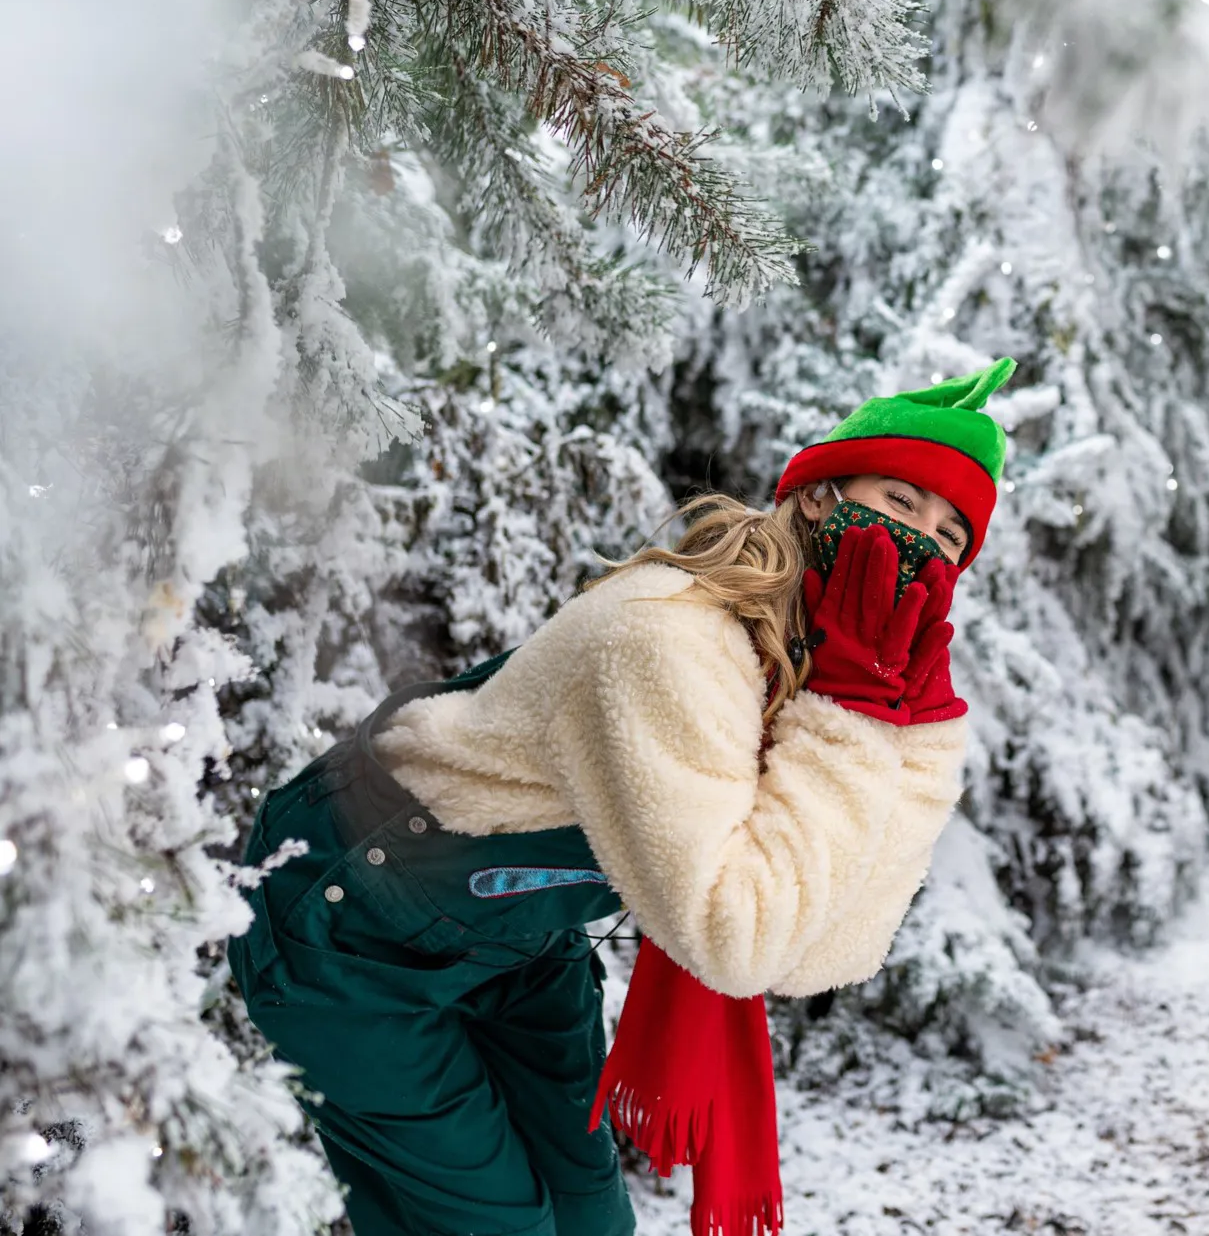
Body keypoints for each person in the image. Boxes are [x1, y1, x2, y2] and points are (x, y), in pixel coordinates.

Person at [232, 360, 1019, 1236]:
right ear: (817, 499)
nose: (923, 540)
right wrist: (855, 716)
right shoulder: (673, 634)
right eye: (899, 501)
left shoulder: (823, 671)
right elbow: (738, 941)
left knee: (593, 1223)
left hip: (516, 935)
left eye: (952, 533)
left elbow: (818, 949)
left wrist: (908, 727)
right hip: (350, 916)